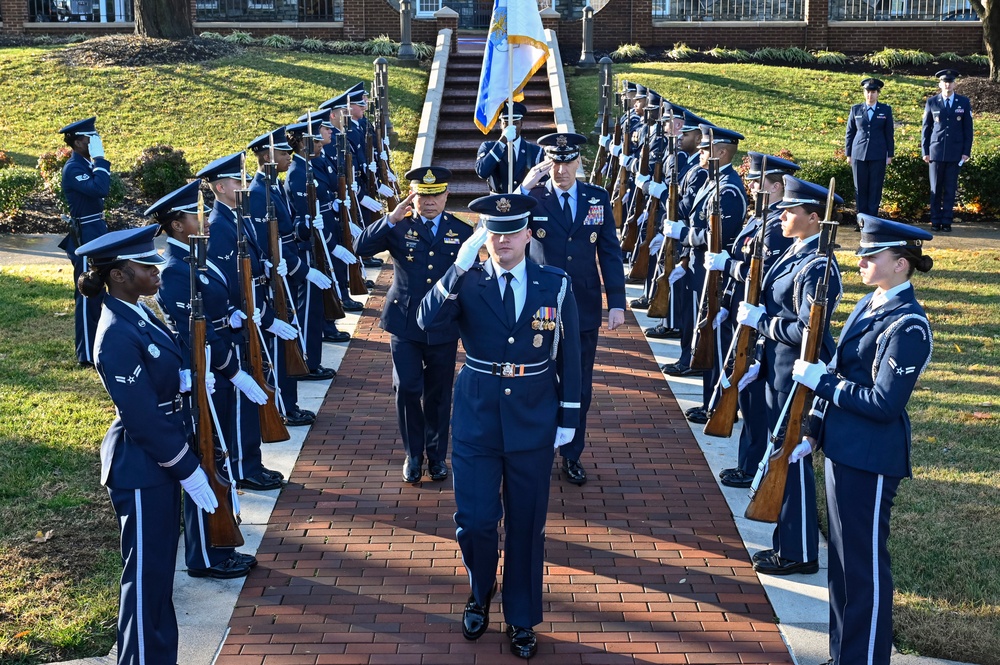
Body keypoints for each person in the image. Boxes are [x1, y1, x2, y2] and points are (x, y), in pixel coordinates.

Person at [417, 193, 581, 660]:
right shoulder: (466, 281)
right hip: (477, 417)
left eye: (512, 232)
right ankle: (480, 589)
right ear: (482, 236)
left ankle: (522, 615)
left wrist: (570, 416)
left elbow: (572, 357)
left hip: (534, 416)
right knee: (474, 520)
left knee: (527, 525)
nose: (503, 240)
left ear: (529, 234)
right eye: (494, 232)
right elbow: (427, 321)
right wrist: (456, 267)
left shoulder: (556, 283)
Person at [790, 215, 934, 665]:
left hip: (872, 457)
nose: (861, 261)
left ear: (901, 265)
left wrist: (824, 386)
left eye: (872, 256)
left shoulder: (908, 325)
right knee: (843, 564)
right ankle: (844, 654)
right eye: (861, 254)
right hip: (842, 447)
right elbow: (842, 370)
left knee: (864, 567)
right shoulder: (870, 303)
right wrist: (815, 427)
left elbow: (884, 404)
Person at [75, 224, 219, 665]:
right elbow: (140, 418)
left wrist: (184, 379)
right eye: (146, 266)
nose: (158, 271)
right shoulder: (115, 331)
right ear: (118, 274)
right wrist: (187, 468)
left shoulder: (139, 311)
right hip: (143, 466)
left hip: (158, 460)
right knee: (145, 576)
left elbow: (158, 370)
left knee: (157, 577)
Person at [146, 180, 262, 580]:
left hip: (218, 370)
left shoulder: (197, 259)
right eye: (195, 213)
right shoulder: (177, 271)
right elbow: (195, 333)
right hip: (206, 377)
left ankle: (219, 547)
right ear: (178, 225)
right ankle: (206, 556)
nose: (205, 218)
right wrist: (233, 369)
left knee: (219, 456)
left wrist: (232, 316)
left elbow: (216, 310)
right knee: (207, 458)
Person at [736, 175, 843, 576]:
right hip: (778, 366)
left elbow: (807, 330)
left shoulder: (818, 266)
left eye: (791, 211)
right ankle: (789, 543)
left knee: (792, 456)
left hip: (797, 372)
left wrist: (763, 323)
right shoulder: (796, 252)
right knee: (781, 451)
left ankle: (799, 552)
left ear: (815, 218)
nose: (782, 215)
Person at [519, 132, 626, 486]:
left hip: (582, 306)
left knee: (578, 385)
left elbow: (609, 252)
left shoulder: (596, 197)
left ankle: (571, 453)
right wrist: (520, 191)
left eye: (567, 162)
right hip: (541, 306)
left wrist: (617, 303)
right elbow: (501, 231)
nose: (560, 169)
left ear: (579, 162)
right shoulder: (532, 197)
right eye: (554, 162)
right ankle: (537, 448)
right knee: (537, 380)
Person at [354, 166, 473, 482]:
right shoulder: (397, 227)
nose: (429, 202)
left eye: (435, 195)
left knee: (438, 394)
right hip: (404, 322)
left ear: (446, 195)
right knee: (407, 387)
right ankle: (412, 454)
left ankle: (435, 457)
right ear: (413, 197)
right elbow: (360, 248)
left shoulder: (462, 232)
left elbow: (471, 280)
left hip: (443, 325)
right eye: (423, 196)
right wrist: (390, 218)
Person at [199, 151, 287, 491]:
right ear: (221, 187)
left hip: (249, 319)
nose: (244, 185)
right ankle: (242, 467)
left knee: (252, 395)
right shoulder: (219, 225)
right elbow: (230, 283)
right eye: (238, 181)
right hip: (238, 325)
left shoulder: (236, 217)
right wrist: (253, 316)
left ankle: (252, 461)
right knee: (240, 401)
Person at [707, 152, 796, 488]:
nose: (752, 187)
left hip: (758, 322)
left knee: (756, 401)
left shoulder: (775, 226)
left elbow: (761, 275)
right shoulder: (761, 219)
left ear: (775, 188)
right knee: (747, 394)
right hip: (744, 314)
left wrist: (728, 267)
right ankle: (748, 462)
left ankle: (752, 465)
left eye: (758, 183)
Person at [58, 116, 111, 367]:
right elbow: (100, 188)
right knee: (88, 291)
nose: (95, 142)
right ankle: (86, 355)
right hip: (86, 233)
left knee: (100, 289)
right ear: (78, 142)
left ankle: (100, 345)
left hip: (96, 228)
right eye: (91, 138)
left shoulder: (84, 163)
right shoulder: (73, 168)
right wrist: (100, 160)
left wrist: (97, 160)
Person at [921, 69, 973, 232]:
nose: (947, 84)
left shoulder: (963, 102)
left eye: (950, 82)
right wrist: (925, 151)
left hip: (955, 152)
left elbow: (968, 129)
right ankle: (935, 220)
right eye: (945, 82)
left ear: (954, 84)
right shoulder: (932, 102)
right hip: (935, 151)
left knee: (950, 189)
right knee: (935, 188)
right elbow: (926, 128)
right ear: (940, 84)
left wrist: (966, 151)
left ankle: (947, 220)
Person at [845, 78, 894, 217]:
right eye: (867, 92)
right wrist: (848, 154)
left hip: (878, 154)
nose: (870, 95)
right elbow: (850, 132)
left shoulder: (885, 109)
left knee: (875, 187)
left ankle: (872, 219)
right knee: (860, 187)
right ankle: (861, 218)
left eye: (873, 92)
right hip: (858, 153)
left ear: (878, 93)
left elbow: (889, 133)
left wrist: (889, 154)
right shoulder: (856, 109)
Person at [475, 101, 543, 194]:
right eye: (506, 123)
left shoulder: (535, 151)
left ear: (521, 124)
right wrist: (502, 142)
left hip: (525, 202)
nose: (511, 127)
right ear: (500, 124)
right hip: (498, 203)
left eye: (515, 123)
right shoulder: (488, 147)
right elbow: (482, 172)